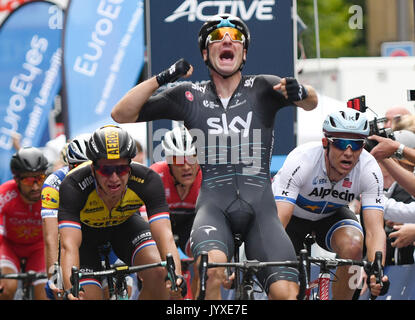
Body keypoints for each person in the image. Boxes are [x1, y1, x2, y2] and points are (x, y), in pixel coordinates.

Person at [111, 14, 318, 300]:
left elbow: (311, 103)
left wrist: (303, 91)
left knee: (286, 294)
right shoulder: (188, 95)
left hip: (262, 211)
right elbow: (121, 113)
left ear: (243, 53)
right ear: (206, 54)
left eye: (235, 38)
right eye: (217, 38)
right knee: (211, 270)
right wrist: (163, 78)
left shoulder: (262, 88)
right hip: (214, 209)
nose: (227, 41)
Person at [57, 125, 184, 300]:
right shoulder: (74, 185)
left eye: (121, 169)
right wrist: (71, 289)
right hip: (85, 238)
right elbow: (68, 246)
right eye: (106, 170)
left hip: (125, 227)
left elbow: (165, 235)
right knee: (85, 297)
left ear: (130, 167)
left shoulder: (147, 180)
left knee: (159, 274)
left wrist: (176, 275)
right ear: (93, 169)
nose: (114, 178)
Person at [272, 109, 388, 299]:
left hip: (330, 215)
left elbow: (375, 229)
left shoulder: (369, 168)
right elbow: (279, 220)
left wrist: (377, 271)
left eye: (357, 145)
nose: (349, 152)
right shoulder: (303, 160)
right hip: (290, 217)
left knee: (353, 245)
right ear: (326, 143)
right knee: (285, 294)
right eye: (341, 144)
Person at [140, 126, 202, 299]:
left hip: (190, 224)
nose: (186, 166)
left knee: (203, 262)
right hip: (160, 224)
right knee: (160, 269)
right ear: (169, 162)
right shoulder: (155, 174)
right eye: (179, 161)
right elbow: (146, 223)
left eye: (191, 159)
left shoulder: (206, 176)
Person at [41, 133, 91, 299]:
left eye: (87, 167)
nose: (81, 173)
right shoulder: (54, 183)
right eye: (75, 167)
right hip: (70, 238)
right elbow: (51, 236)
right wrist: (54, 275)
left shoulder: (108, 177)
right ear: (68, 165)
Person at [0, 147, 49, 300]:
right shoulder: (5, 193)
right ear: (16, 179)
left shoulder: (50, 193)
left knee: (45, 296)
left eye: (40, 178)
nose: (35, 186)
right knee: (6, 289)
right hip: (10, 247)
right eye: (28, 180)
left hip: (39, 248)